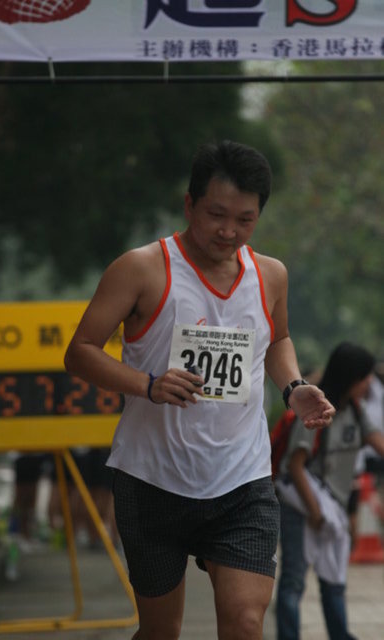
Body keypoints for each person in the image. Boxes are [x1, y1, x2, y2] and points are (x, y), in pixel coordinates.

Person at [64, 140, 334, 640]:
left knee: (246, 622)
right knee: (161, 631)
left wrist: (294, 386)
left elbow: (277, 339)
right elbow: (79, 351)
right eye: (216, 215)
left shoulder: (270, 275)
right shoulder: (142, 269)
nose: (228, 231)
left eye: (245, 220)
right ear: (189, 205)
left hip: (241, 481)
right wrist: (148, 385)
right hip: (152, 480)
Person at [275, 342, 384, 640]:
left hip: (331, 509)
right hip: (302, 507)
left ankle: (339, 635)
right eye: (365, 377)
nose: (369, 384)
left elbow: (377, 442)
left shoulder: (355, 411)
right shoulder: (317, 409)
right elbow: (294, 465)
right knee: (294, 581)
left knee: (334, 580)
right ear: (351, 377)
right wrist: (314, 512)